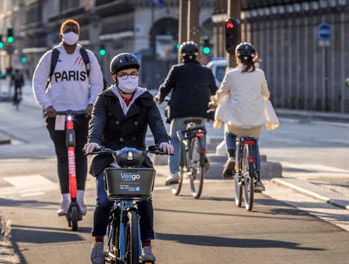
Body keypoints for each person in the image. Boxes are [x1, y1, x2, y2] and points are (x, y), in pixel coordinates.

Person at [83, 53, 174, 264]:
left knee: (145, 201)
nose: (129, 78)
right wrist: (93, 141)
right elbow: (96, 121)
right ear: (115, 77)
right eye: (124, 74)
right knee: (104, 202)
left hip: (137, 157)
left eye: (133, 74)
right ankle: (98, 242)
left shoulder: (145, 98)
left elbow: (156, 122)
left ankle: (146, 247)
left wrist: (163, 141)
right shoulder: (105, 98)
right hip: (108, 156)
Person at [32, 18, 104, 216]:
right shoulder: (52, 56)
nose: (71, 32)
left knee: (81, 156)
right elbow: (38, 83)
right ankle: (65, 200)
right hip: (57, 115)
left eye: (74, 29)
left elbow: (97, 83)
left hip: (82, 114)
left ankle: (80, 199)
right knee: (63, 157)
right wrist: (47, 105)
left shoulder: (87, 56)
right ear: (61, 34)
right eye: (67, 29)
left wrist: (92, 104)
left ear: (79, 34)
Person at [211, 42, 276, 192]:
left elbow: (221, 95)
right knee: (254, 144)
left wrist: (214, 102)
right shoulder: (260, 74)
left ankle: (232, 156)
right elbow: (266, 94)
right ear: (254, 57)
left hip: (236, 124)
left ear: (237, 58)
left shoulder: (231, 74)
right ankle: (257, 179)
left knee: (229, 131)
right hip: (255, 124)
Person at [154, 41, 218, 185]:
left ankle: (175, 173)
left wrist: (159, 98)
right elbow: (214, 90)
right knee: (201, 132)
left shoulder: (176, 69)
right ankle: (202, 154)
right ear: (197, 55)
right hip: (201, 111)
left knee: (175, 139)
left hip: (180, 111)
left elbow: (165, 87)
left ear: (181, 55)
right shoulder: (206, 71)